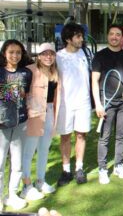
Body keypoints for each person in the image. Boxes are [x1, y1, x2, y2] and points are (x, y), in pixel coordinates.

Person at [92, 25, 123, 184]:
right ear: (108, 36)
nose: (114, 37)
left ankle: (119, 165)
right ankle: (102, 169)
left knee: (121, 135)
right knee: (104, 137)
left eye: (118, 34)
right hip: (107, 103)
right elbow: (94, 81)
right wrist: (98, 104)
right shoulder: (100, 55)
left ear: (122, 38)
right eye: (112, 34)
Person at [21, 43, 59, 201]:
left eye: (51, 53)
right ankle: (26, 186)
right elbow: (18, 92)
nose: (48, 56)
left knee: (44, 149)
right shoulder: (29, 70)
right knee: (28, 151)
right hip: (33, 114)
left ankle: (40, 181)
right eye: (45, 53)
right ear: (39, 55)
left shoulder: (56, 73)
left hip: (49, 113)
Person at [56, 23, 91, 186]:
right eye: (78, 36)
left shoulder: (86, 53)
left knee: (81, 135)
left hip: (83, 102)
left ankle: (79, 168)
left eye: (81, 36)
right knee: (65, 136)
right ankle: (66, 170)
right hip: (65, 104)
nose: (81, 39)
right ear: (68, 39)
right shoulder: (58, 56)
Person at [0, 39, 32, 210]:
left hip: (20, 122)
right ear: (4, 53)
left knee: (17, 163)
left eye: (18, 52)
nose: (15, 55)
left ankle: (12, 194)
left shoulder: (26, 73)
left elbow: (25, 94)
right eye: (11, 52)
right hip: (2, 124)